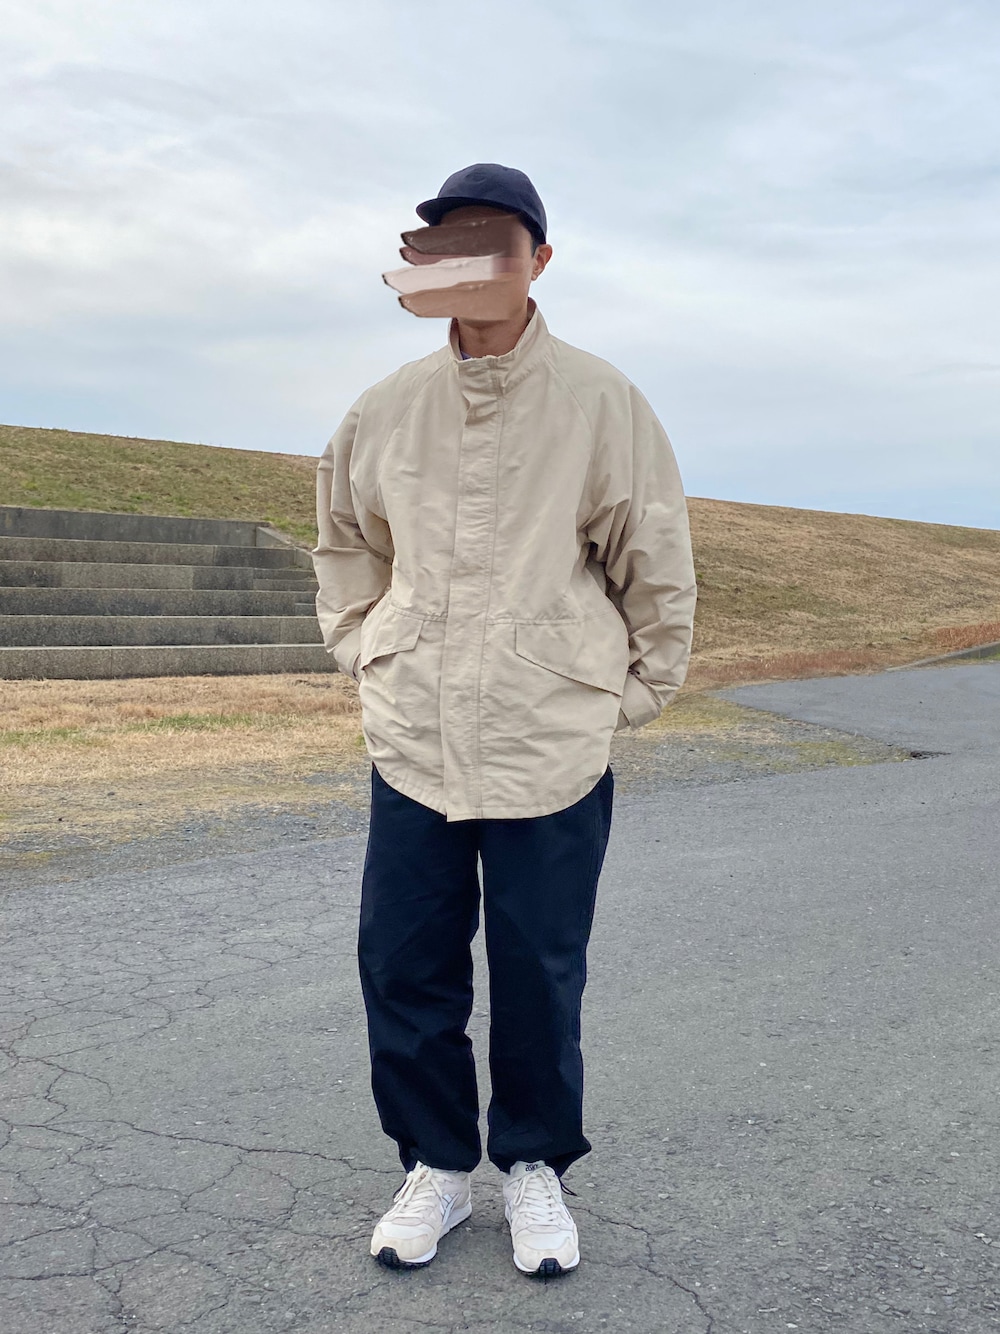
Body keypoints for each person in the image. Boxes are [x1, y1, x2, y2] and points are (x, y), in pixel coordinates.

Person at [312, 163, 697, 1277]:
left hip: (550, 732)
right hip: (416, 731)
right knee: (404, 960)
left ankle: (533, 1164)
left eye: (496, 242)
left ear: (538, 258)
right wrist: (363, 645)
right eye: (449, 244)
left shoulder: (601, 400)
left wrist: (636, 689)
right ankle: (435, 1163)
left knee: (539, 965)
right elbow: (346, 542)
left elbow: (653, 554)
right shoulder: (386, 407)